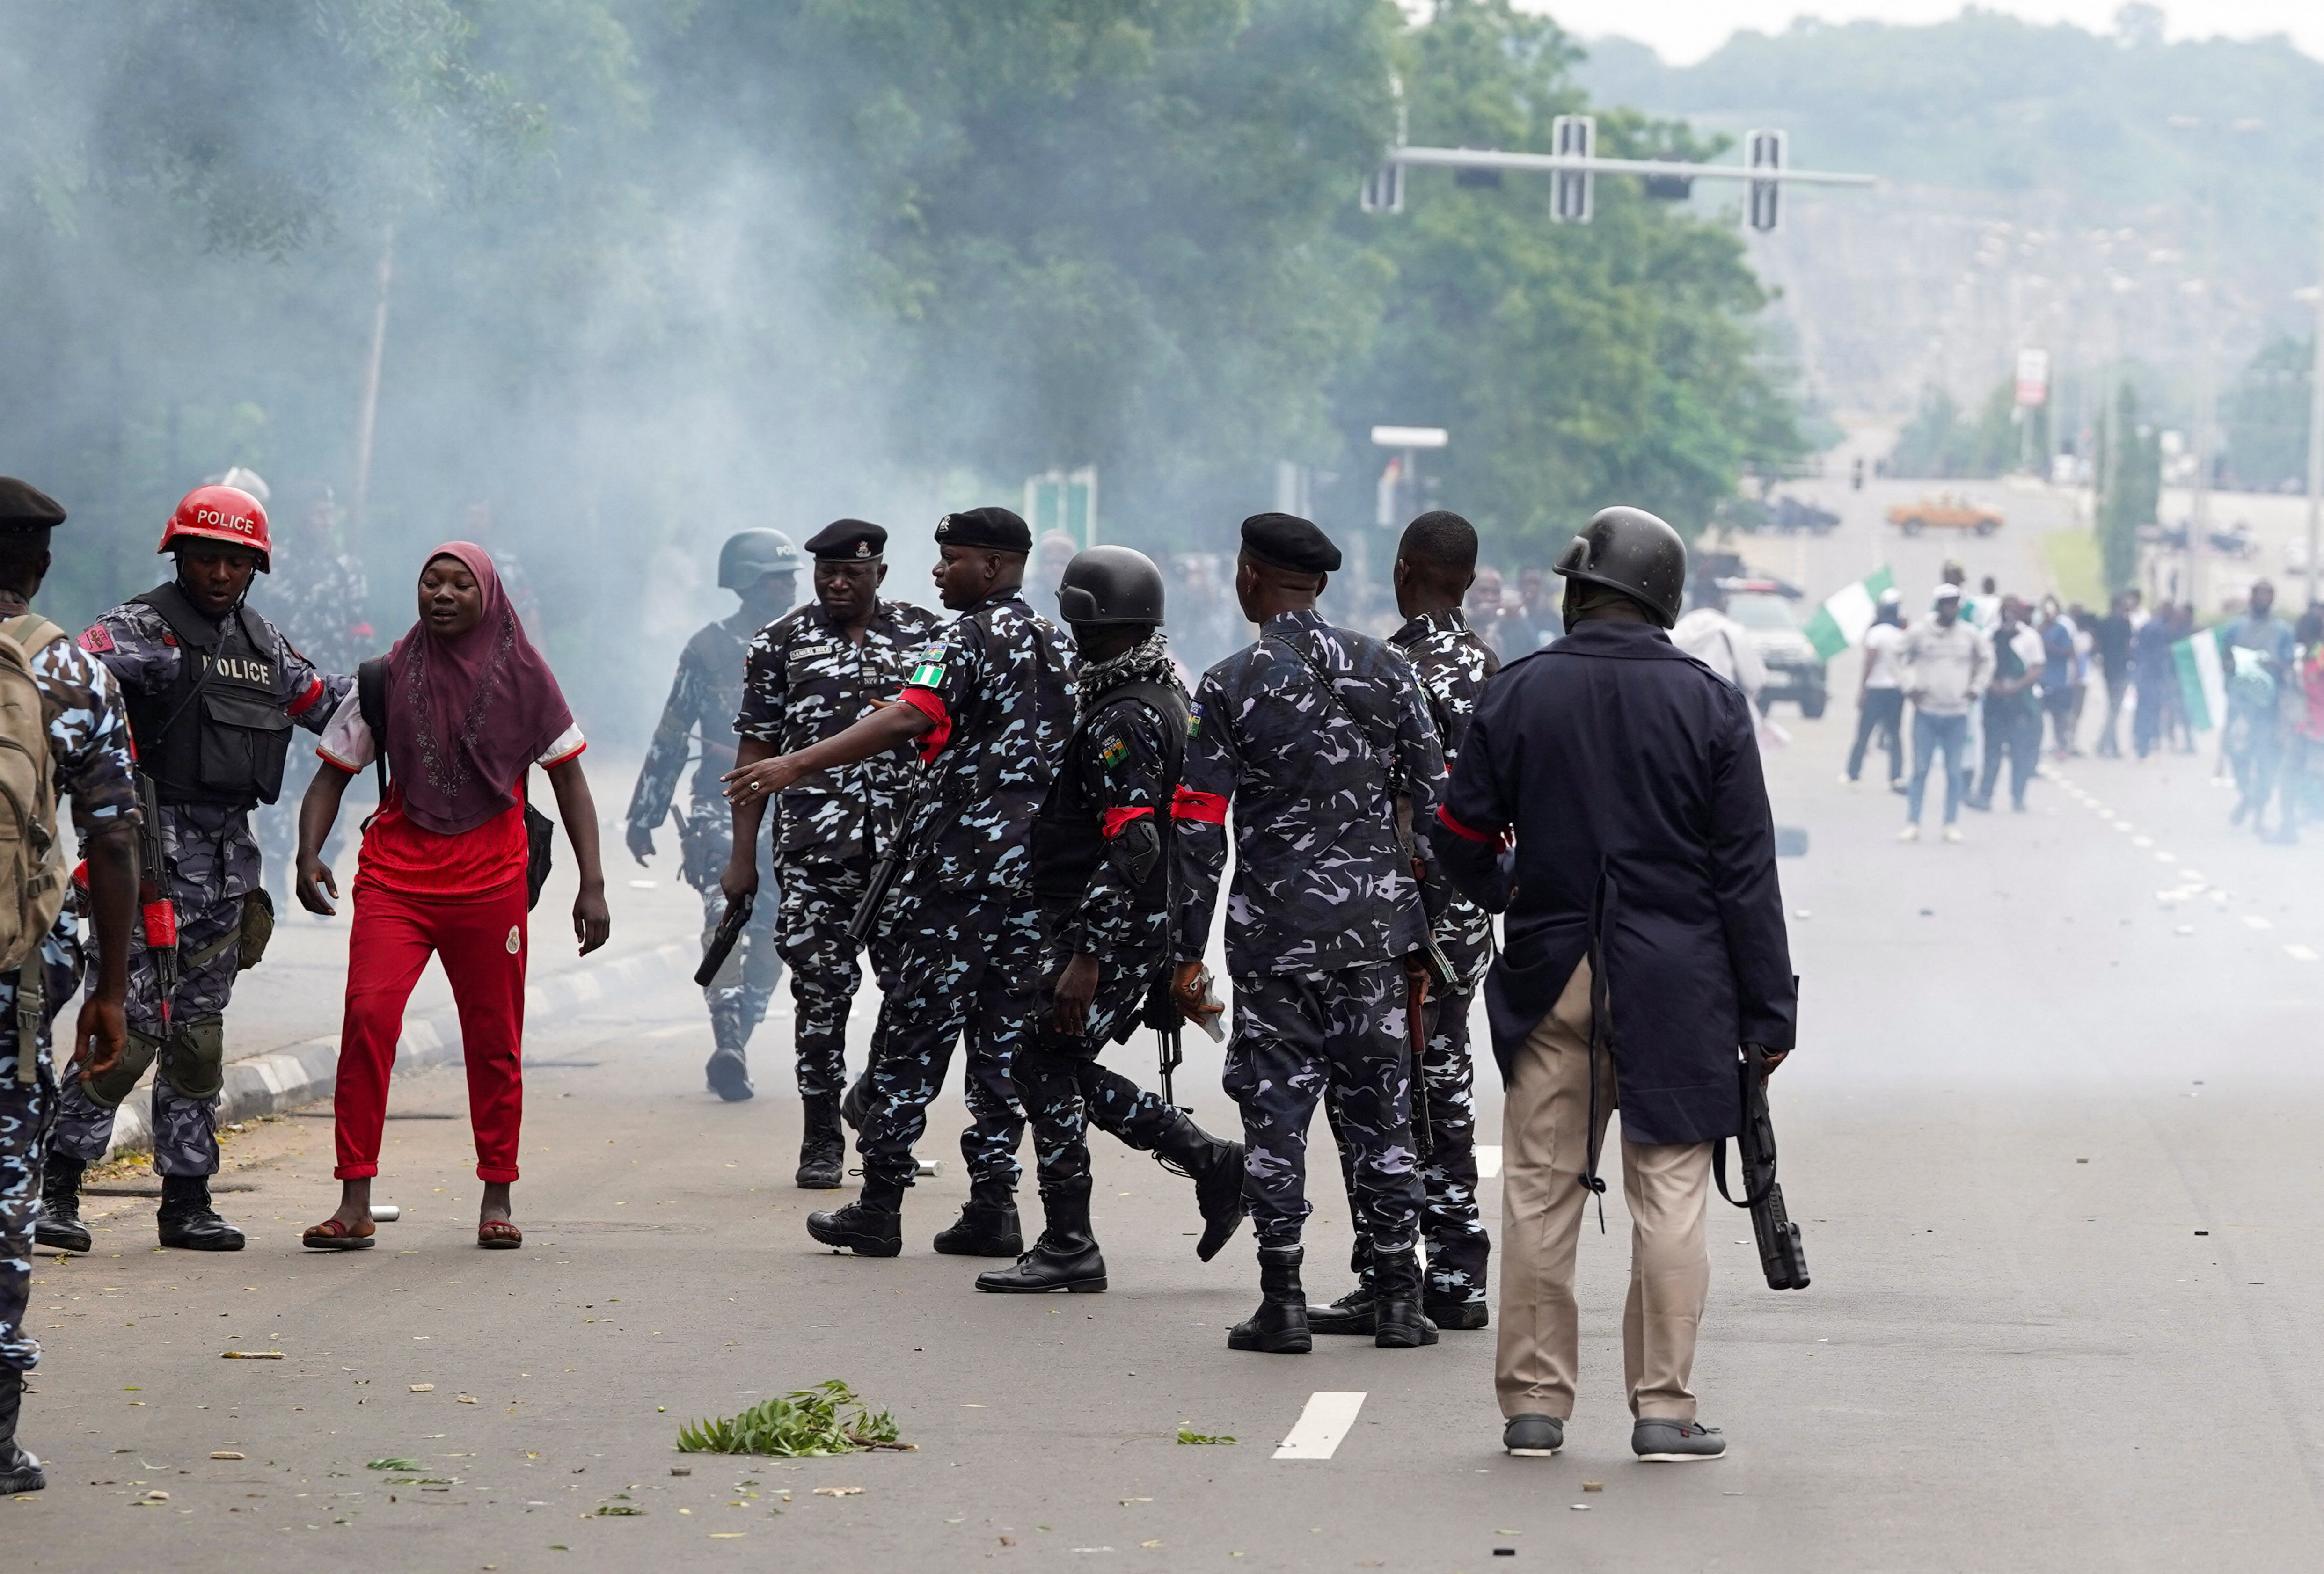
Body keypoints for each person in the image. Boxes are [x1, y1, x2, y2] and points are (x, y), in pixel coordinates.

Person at [1426, 505, 1795, 1464]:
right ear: (1661, 595)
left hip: (1553, 972)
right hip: (1677, 984)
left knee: (1541, 1192)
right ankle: (1663, 1408)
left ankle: (1535, 1406)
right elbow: (1744, 872)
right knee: (1669, 1196)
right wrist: (1768, 1010)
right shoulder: (1708, 701)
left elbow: (1456, 837)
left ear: (1583, 590)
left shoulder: (1518, 689)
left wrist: (1512, 891)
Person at [724, 507, 1069, 1260]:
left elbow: (916, 715)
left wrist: (796, 763)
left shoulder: (961, 636)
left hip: (958, 872)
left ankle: (879, 1204)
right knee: (999, 1042)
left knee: (910, 1031)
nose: (938, 571)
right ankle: (993, 1203)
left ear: (992, 565)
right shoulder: (1057, 639)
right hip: (1031, 875)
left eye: (951, 559)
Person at [38, 485, 350, 1253]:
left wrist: (417, 692)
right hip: (142, 861)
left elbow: (332, 706)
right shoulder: (140, 629)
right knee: (134, 1030)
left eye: (236, 561)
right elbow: (56, 691)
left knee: (199, 1037)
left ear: (256, 567)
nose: (219, 573)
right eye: (206, 557)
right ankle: (57, 1183)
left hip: (227, 866)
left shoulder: (263, 644)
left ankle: (186, 1199)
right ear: (178, 556)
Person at [1169, 512, 1444, 1355]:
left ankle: (1282, 1299)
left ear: (1250, 575)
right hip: (1376, 937)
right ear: (1318, 582)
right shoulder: (1390, 669)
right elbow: (1434, 809)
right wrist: (1417, 926)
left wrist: (1185, 950)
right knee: (1383, 1116)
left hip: (1276, 938)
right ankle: (1399, 1294)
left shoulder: (1227, 684)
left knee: (1276, 1114)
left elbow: (1195, 826)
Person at [292, 543, 609, 1250]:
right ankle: (354, 1202)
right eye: (429, 581)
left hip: (491, 880)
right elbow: (332, 777)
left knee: (493, 1041)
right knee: (368, 1020)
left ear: (488, 596)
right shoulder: (383, 677)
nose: (441, 594)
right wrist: (309, 851)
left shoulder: (529, 677)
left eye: (460, 584)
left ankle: (497, 1196)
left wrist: (592, 885)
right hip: (395, 878)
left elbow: (570, 783)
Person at [976, 546, 1248, 1293]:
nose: (1069, 638)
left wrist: (1087, 958)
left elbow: (1132, 845)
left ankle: (1074, 1241)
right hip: (1137, 925)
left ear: (1099, 627)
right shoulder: (1163, 696)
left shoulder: (1121, 716)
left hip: (1110, 929)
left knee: (1040, 1061)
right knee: (1051, 1063)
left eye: (1076, 625)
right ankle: (1204, 1163)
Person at [1307, 511, 1497, 1334]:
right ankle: (1459, 1271)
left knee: (1375, 1092)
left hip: (1396, 913)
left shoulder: (1388, 667)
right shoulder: (1495, 667)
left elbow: (1378, 804)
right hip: (1467, 915)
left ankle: (1386, 1271)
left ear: (1403, 568)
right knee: (1445, 1083)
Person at [724, 519, 941, 1186]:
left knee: (914, 995)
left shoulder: (926, 635)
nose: (837, 583)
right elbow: (756, 749)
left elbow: (948, 724)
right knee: (821, 996)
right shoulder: (779, 644)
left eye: (851, 572)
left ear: (879, 572)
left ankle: (872, 1099)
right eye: (826, 573)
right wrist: (743, 858)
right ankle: (820, 1136)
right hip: (816, 851)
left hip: (906, 854)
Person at [0, 478, 140, 1496]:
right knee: (4, 1198)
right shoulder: (66, 670)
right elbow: (115, 834)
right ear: (38, 564)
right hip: (14, 976)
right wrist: (110, 987)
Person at [626, 529, 798, 1102]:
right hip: (719, 805)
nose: (791, 585)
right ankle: (728, 1039)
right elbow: (673, 735)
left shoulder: (811, 643)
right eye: (779, 577)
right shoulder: (705, 649)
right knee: (724, 919)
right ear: (748, 583)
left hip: (795, 810)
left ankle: (739, 1038)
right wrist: (644, 814)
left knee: (775, 937)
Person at [249, 479, 371, 904]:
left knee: (332, 791)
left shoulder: (346, 570)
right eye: (317, 512)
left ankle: (321, 862)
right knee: (279, 795)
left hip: (332, 701)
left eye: (328, 513)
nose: (324, 521)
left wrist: (363, 695)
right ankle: (281, 888)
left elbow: (359, 632)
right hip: (281, 697)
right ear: (299, 517)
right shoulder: (272, 567)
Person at [1898, 585, 1989, 842]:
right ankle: (1913, 823)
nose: (1952, 609)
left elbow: (1987, 659)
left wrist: (1976, 688)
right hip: (1926, 711)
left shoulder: (1968, 635)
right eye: (1948, 604)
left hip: (1957, 713)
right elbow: (1897, 654)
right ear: (1939, 606)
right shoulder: (1920, 632)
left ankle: (1950, 823)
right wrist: (1908, 686)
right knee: (1920, 770)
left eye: (1956, 605)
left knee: (1953, 772)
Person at [2221, 580, 2295, 831]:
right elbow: (2224, 660)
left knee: (2267, 760)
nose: (2263, 599)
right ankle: (2247, 796)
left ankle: (2258, 813)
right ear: (2251, 597)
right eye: (2258, 594)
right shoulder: (2235, 629)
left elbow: (2288, 667)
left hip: (2269, 708)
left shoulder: (2284, 632)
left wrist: (2270, 664)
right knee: (2239, 755)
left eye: (2268, 595)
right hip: (2240, 705)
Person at [1968, 597, 2045, 814]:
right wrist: (1993, 685)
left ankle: (2018, 797)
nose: (2009, 615)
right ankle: (1985, 795)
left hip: (2021, 703)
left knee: (2019, 753)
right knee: (1992, 751)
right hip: (1994, 703)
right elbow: (1978, 665)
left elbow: (2037, 667)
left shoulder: (2029, 637)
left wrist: (2018, 685)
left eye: (2013, 611)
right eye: (2005, 610)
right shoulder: (1988, 636)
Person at [1843, 589, 1906, 790]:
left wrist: (1862, 690)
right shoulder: (1901, 635)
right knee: (1894, 734)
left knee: (1864, 733)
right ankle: (1896, 775)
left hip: (1876, 688)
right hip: (1896, 690)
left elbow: (1869, 661)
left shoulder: (1875, 633)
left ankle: (1853, 772)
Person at [1669, 581, 1767, 707]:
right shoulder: (1732, 631)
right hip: (1726, 713)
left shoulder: (1672, 635)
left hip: (1683, 712)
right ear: (1720, 600)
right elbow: (1754, 681)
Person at [2092, 590, 2138, 758]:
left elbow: (2097, 645)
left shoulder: (2103, 623)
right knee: (2115, 709)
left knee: (2113, 707)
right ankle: (2107, 744)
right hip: (2121, 668)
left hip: (2108, 669)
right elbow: (2128, 645)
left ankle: (2107, 743)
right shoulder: (2125, 623)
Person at [2132, 601, 2178, 759]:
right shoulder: (2159, 629)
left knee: (2143, 709)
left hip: (2143, 674)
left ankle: (2141, 741)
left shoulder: (2148, 626)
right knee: (2150, 711)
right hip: (2152, 676)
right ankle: (2145, 743)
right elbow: (2158, 655)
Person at [2036, 598, 2079, 760]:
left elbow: (2069, 651)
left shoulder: (2061, 630)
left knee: (2060, 717)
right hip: (2041, 680)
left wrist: (2050, 648)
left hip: (2059, 680)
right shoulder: (2038, 630)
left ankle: (2062, 746)